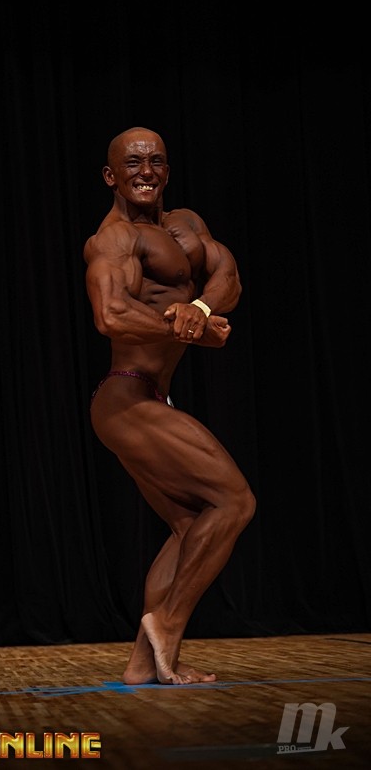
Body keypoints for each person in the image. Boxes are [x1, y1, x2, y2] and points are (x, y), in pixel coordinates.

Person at [84, 126, 256, 686]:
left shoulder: (186, 226)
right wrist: (184, 329)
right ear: (111, 176)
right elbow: (111, 314)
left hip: (150, 396)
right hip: (126, 394)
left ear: (167, 170)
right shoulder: (113, 240)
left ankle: (146, 664)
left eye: (156, 161)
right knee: (233, 502)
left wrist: (200, 310)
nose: (146, 172)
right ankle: (169, 623)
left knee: (189, 528)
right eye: (133, 163)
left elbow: (227, 276)